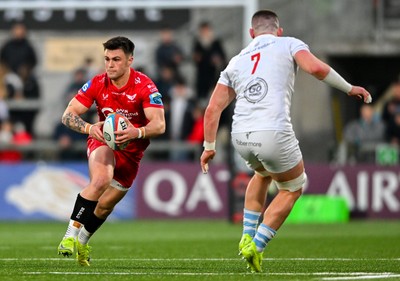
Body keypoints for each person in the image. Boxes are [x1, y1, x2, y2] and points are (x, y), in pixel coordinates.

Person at [199, 10, 372, 273]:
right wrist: (349, 88)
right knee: (293, 187)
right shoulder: (289, 43)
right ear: (278, 31)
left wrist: (208, 148)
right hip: (273, 131)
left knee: (262, 173)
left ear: (251, 34)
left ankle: (246, 233)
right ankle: (256, 244)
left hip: (241, 135)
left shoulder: (236, 60)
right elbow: (315, 67)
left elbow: (213, 109)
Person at [57, 36, 165, 266]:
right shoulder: (97, 83)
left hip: (132, 152)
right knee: (101, 180)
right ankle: (69, 236)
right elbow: (67, 114)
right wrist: (89, 127)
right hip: (102, 141)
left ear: (130, 61)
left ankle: (82, 243)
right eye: (107, 59)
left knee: (105, 206)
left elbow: (159, 125)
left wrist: (136, 133)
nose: (110, 65)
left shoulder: (145, 86)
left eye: (116, 59)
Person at [192, 21, 226, 102]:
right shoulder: (197, 43)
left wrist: (217, 59)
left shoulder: (216, 42)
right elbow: (195, 57)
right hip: (202, 75)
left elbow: (222, 56)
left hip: (214, 74)